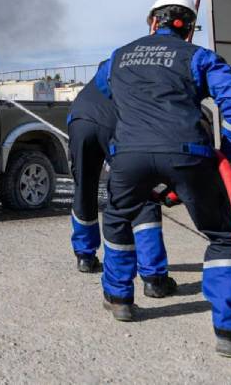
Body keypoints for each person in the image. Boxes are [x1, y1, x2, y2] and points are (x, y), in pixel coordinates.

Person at [93, 0, 231, 358]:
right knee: (224, 236)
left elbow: (105, 87)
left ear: (153, 22)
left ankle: (119, 298)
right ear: (189, 29)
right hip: (187, 155)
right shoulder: (199, 56)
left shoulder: (117, 57)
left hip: (129, 157)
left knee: (117, 218)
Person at [68, 75, 177, 301]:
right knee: (142, 191)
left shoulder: (113, 67)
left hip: (79, 119)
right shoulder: (148, 74)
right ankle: (154, 278)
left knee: (84, 189)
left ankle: (85, 257)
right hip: (115, 121)